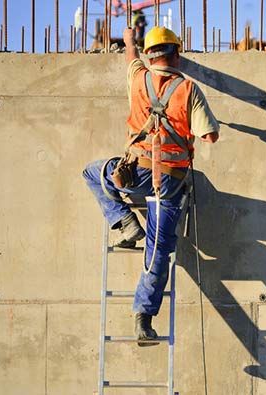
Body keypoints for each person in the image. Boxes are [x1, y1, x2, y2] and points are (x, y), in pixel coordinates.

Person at [82, 26, 219, 343]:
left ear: (150, 55)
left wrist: (130, 41)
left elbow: (131, 57)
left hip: (134, 175)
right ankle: (143, 319)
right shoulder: (187, 90)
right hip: (169, 182)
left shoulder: (137, 78)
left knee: (93, 173)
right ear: (176, 54)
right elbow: (210, 136)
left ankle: (125, 221)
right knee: (158, 253)